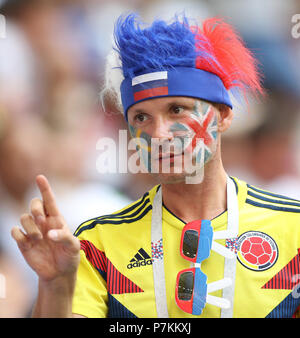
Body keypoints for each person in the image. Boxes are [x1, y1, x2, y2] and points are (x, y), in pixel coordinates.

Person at [11, 13, 300, 318]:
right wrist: (56, 284)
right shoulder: (97, 243)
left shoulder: (293, 229)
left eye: (177, 109)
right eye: (141, 117)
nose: (159, 134)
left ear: (223, 115)